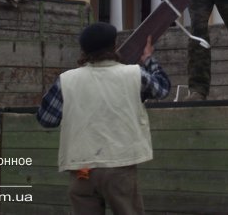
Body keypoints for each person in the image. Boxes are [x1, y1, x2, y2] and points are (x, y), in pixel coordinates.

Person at [36, 22, 170, 215]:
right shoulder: (133, 74)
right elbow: (162, 89)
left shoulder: (66, 80)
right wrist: (148, 59)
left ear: (84, 50)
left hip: (82, 169)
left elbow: (46, 119)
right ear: (114, 46)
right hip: (120, 166)